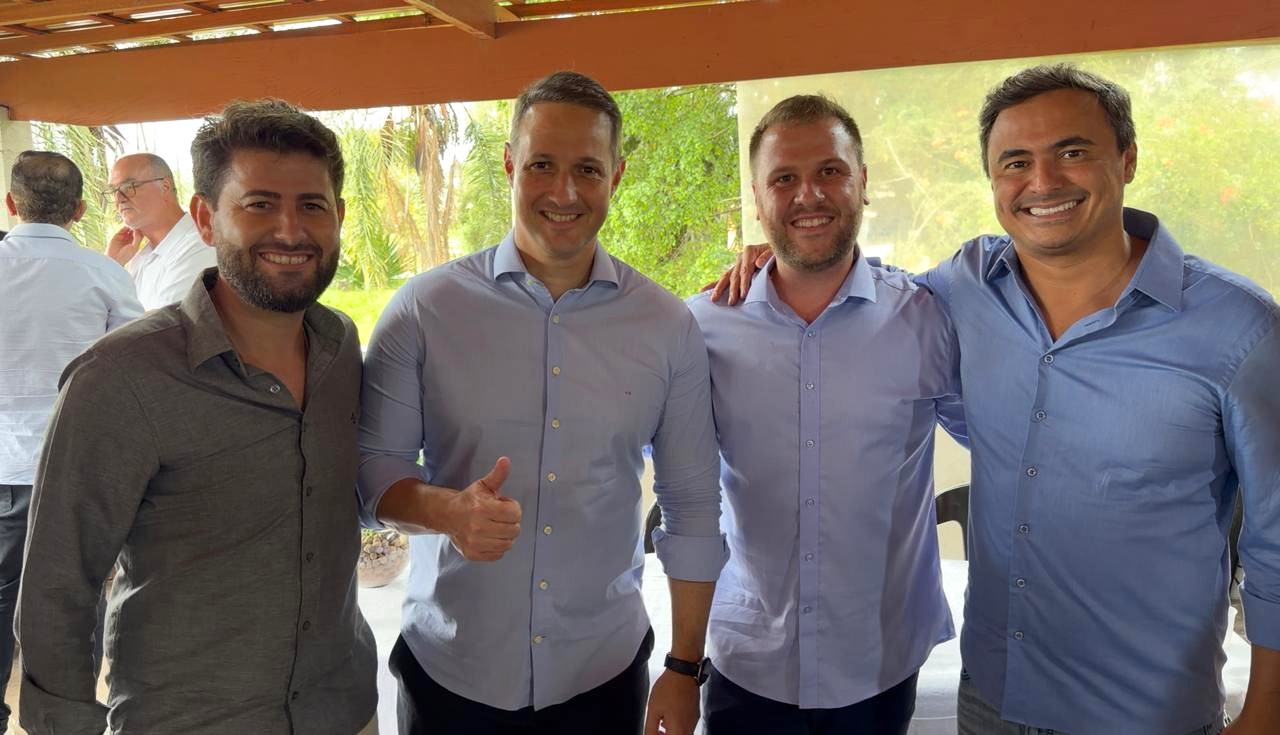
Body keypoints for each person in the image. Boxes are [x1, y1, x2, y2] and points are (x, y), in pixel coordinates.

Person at [711, 64, 1280, 734]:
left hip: (1146, 711)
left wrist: (1264, 713)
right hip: (993, 700)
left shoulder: (1238, 329)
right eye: (1015, 162)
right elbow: (851, 291)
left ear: (1127, 158)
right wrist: (780, 256)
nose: (1043, 181)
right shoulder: (964, 287)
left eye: (1072, 151)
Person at [357, 71, 726, 735]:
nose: (564, 191)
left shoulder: (667, 326)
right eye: (542, 165)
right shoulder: (423, 310)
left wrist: (684, 664)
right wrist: (447, 511)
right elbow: (370, 474)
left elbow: (693, 504)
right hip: (452, 675)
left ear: (617, 175)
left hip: (602, 675)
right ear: (509, 164)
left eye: (587, 168)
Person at [18, 100, 378, 735]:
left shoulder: (340, 347)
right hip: (190, 718)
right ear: (206, 218)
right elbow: (58, 585)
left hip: (342, 707)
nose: (290, 230)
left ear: (339, 217)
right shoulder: (121, 378)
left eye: (312, 206)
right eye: (259, 204)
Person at [686, 95, 963, 735]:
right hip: (748, 658)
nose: (808, 194)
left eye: (830, 172)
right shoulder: (700, 327)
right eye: (784, 178)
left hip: (879, 660)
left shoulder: (926, 318)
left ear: (862, 182)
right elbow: (651, 459)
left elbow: (998, 434)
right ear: (757, 198)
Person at [0, 150, 141, 734]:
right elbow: (136, 365)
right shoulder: (104, 275)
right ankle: (68, 723)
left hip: (3, 468)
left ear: (11, 204)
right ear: (80, 210)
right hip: (78, 471)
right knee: (74, 601)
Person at [104, 152, 216, 308]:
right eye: (113, 191)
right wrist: (112, 264)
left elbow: (166, 322)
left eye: (129, 187)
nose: (118, 199)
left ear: (165, 186)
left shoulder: (199, 246)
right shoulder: (140, 258)